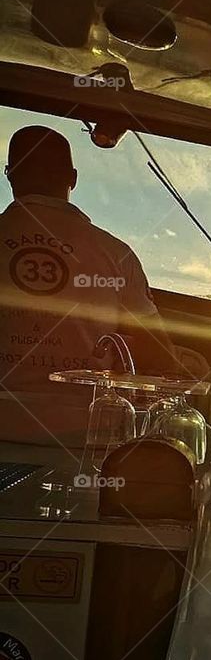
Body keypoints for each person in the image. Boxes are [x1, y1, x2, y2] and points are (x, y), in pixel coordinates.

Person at [0, 125, 182, 443]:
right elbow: (157, 354)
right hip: (84, 436)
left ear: (10, 174)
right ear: (72, 177)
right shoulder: (115, 253)